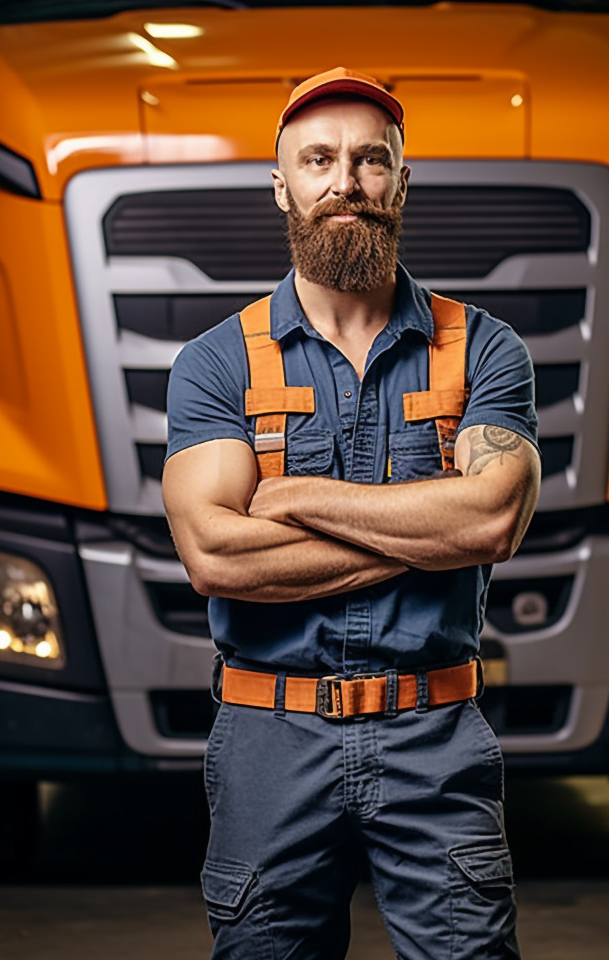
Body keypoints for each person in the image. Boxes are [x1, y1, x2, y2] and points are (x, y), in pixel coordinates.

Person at [161, 66, 540, 960]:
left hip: (435, 736)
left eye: (372, 161)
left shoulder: (484, 348)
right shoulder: (216, 364)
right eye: (319, 159)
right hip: (269, 741)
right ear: (281, 184)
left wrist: (297, 499)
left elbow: (489, 521)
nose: (346, 182)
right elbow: (216, 555)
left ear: (400, 183)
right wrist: (428, 535)